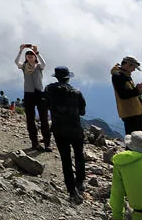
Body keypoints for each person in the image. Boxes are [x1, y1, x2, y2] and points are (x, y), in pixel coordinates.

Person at [45, 66, 87, 203]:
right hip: (76, 129)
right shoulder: (77, 92)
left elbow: (45, 104)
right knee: (79, 155)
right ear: (68, 77)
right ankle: (80, 182)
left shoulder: (50, 89)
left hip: (59, 130)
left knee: (66, 159)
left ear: (56, 77)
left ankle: (71, 190)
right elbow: (82, 112)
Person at [16, 44, 52, 152]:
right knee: (30, 119)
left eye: (32, 56)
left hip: (39, 94)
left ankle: (47, 143)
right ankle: (34, 142)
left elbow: (44, 63)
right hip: (28, 94)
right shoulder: (24, 67)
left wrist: (37, 52)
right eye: (28, 56)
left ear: (35, 57)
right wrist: (20, 51)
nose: (30, 57)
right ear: (26, 58)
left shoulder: (39, 67)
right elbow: (16, 62)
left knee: (44, 119)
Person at [112, 56, 142, 135]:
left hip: (136, 111)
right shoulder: (118, 76)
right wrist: (137, 89)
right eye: (133, 67)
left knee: (141, 137)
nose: (134, 70)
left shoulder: (126, 75)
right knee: (133, 138)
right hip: (129, 112)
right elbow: (123, 95)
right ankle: (130, 148)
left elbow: (132, 94)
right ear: (127, 64)